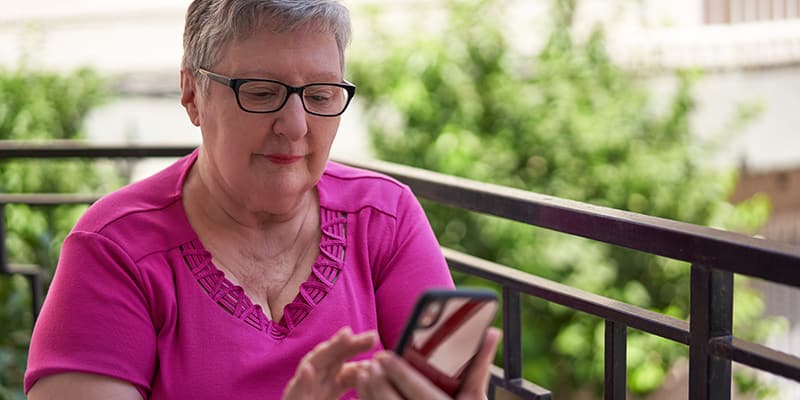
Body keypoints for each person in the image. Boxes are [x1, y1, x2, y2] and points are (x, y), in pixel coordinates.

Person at [24, 0, 500, 399]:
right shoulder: (115, 248)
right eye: (262, 92)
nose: (294, 126)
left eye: (320, 94)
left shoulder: (385, 218)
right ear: (192, 93)